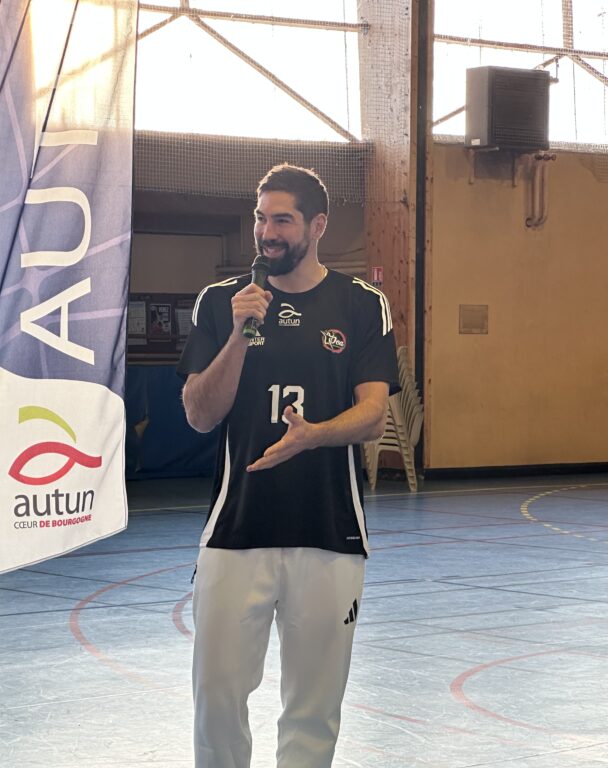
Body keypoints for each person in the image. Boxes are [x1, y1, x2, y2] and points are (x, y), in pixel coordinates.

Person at [178, 164, 400, 768]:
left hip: (329, 535)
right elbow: (200, 414)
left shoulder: (361, 305)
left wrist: (312, 436)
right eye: (260, 218)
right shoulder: (221, 302)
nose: (266, 232)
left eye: (282, 219)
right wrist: (238, 336)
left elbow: (373, 416)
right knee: (216, 698)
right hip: (235, 532)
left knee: (313, 709)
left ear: (318, 225)